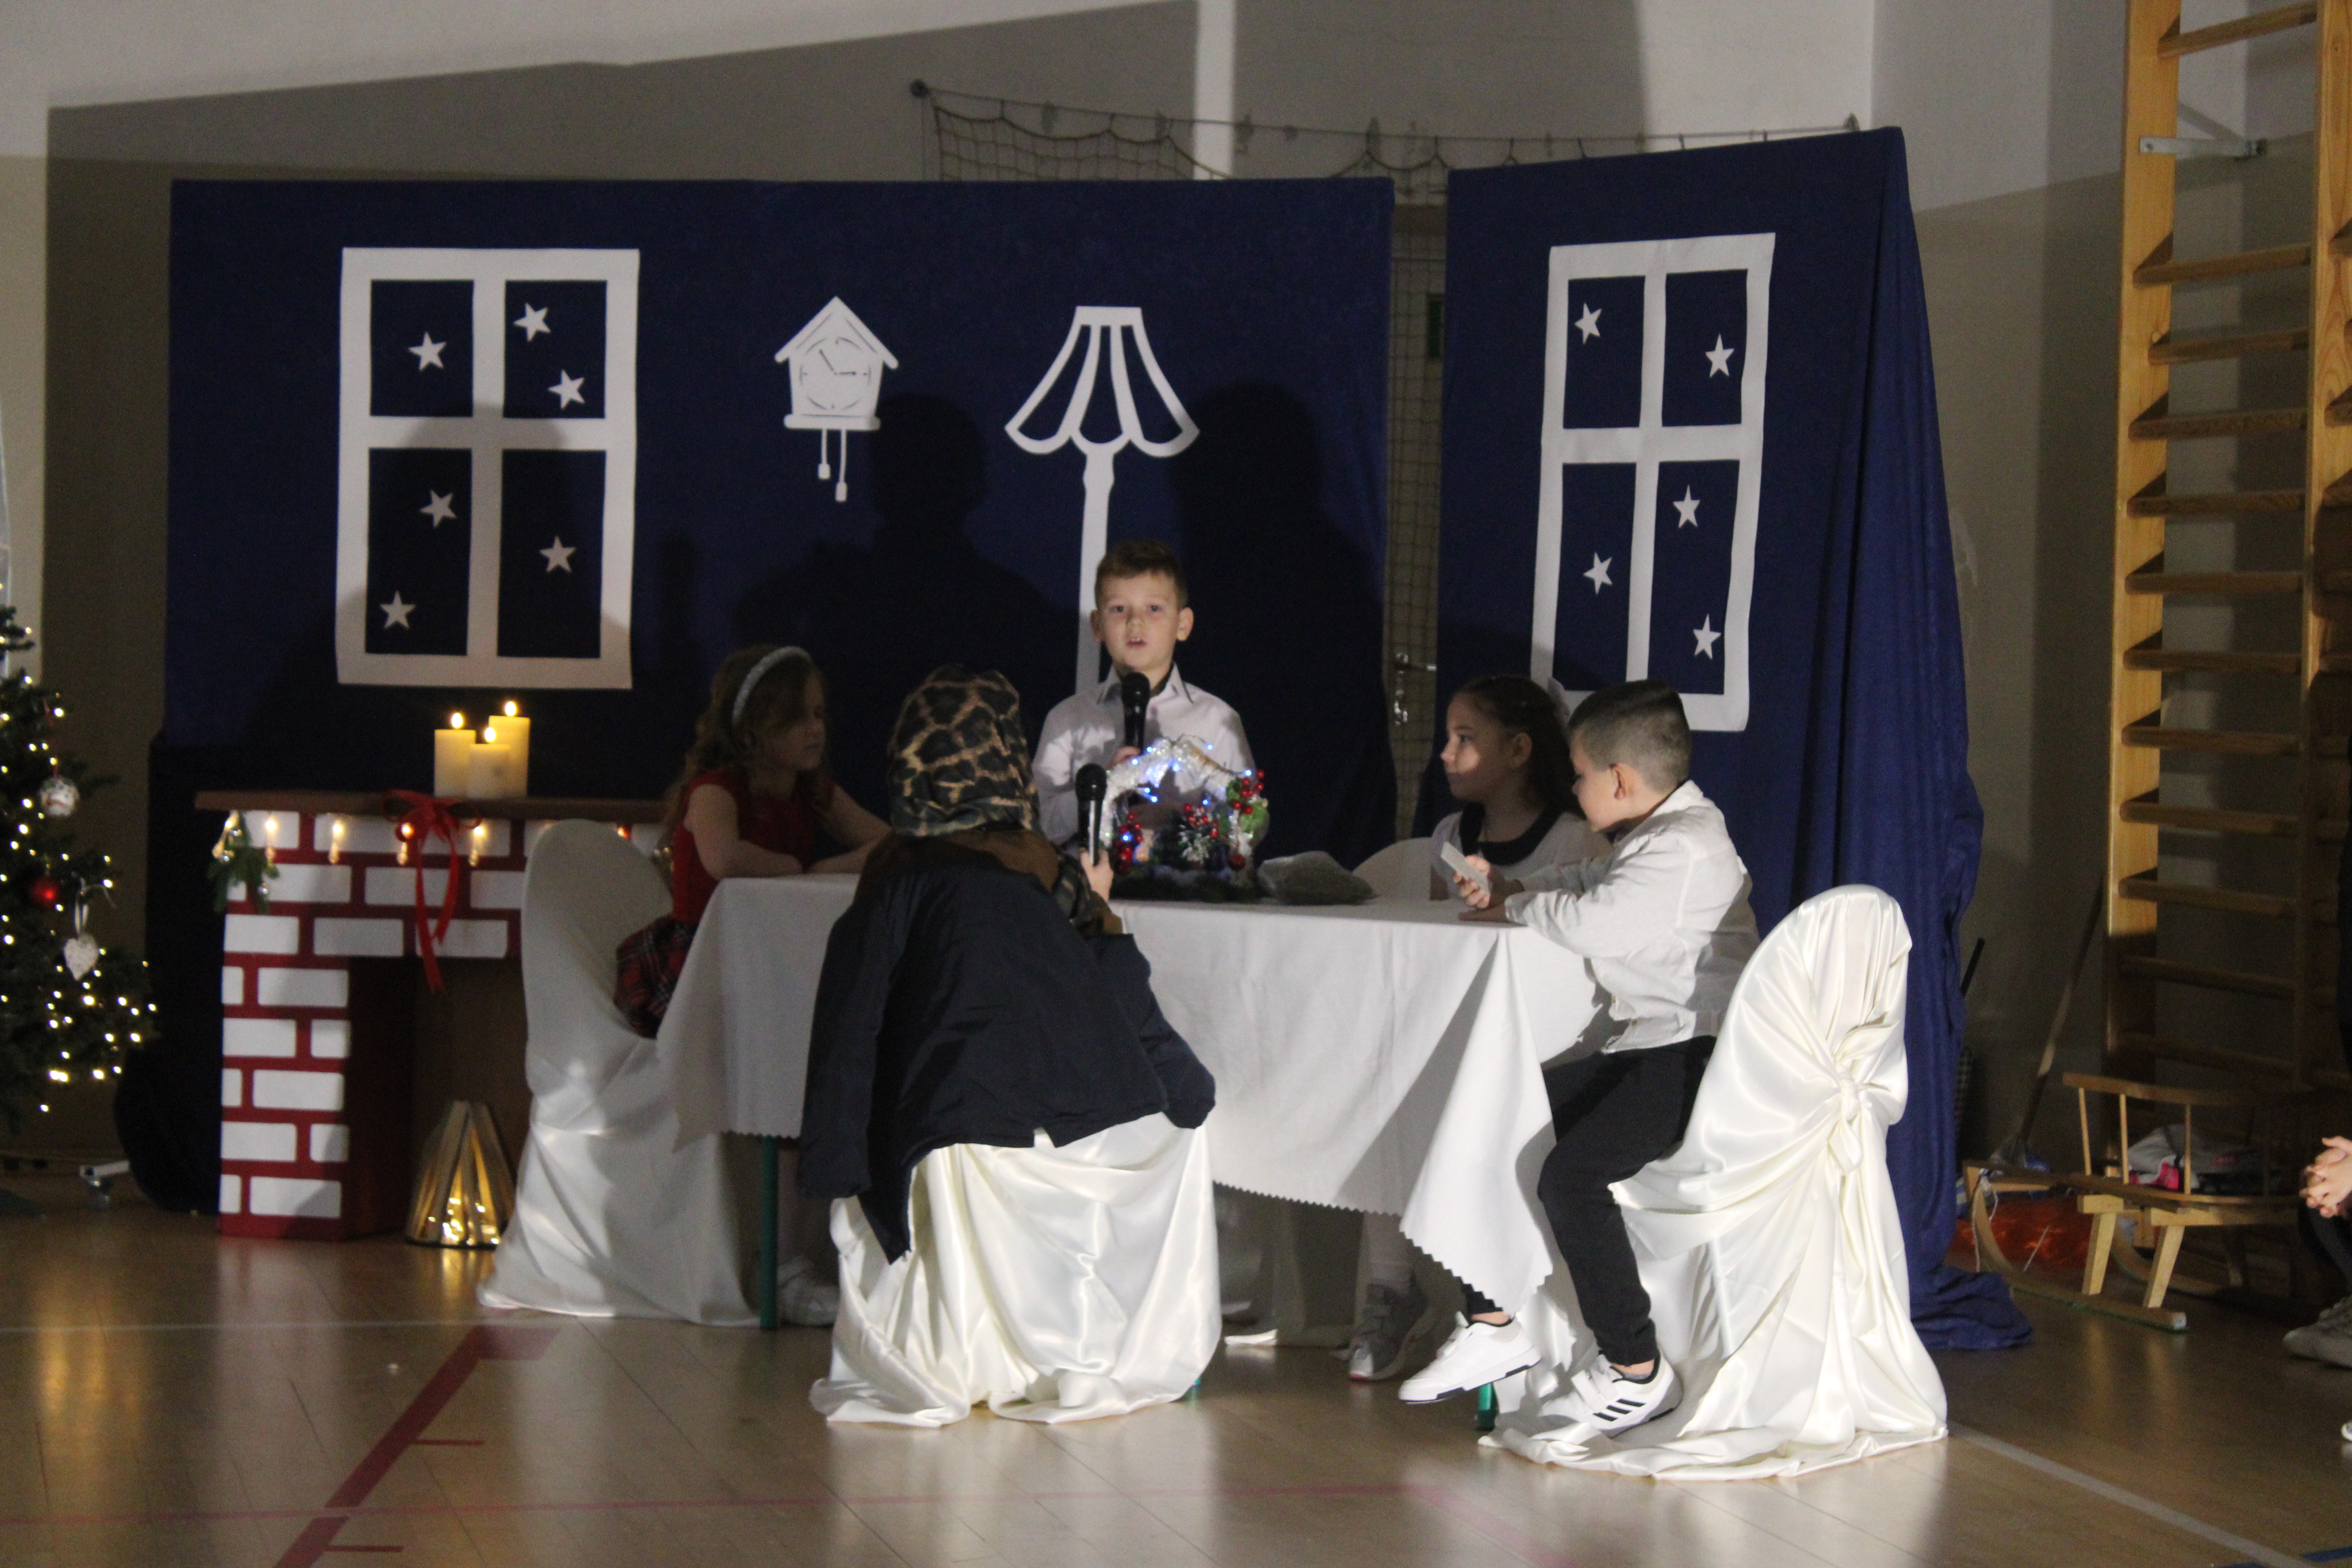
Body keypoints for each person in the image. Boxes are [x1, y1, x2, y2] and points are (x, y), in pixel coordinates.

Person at [799, 667, 1221, 1425]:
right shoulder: (1041, 869)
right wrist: (1190, 1095)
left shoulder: (890, 873)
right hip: (1046, 1135)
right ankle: (1088, 1342)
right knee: (1179, 1138)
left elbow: (851, 1025)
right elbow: (1123, 1006)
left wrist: (843, 1163)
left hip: (935, 1135)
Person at [1400, 679, 1759, 1435]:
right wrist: (1515, 887)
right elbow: (1587, 881)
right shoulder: (1657, 837)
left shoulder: (1687, 846)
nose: (1573, 788)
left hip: (1700, 1059)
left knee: (1572, 1177)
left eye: (1580, 774)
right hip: (1650, 1048)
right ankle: (1494, 1323)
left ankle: (1636, 1367)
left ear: (1619, 780)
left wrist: (1517, 903)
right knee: (1492, 1117)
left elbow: (1596, 921)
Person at [613, 644, 889, 1325]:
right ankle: (782, 1263)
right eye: (798, 718)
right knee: (789, 1052)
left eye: (820, 715)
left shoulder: (813, 791)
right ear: (754, 727)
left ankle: (809, 1253)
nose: (816, 730)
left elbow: (889, 844)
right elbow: (725, 858)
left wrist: (830, 866)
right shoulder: (718, 790)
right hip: (702, 970)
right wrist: (804, 868)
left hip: (773, 968)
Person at [1346, 675, 1602, 1383]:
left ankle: (1500, 1319)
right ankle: (1393, 1292)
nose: (1447, 755)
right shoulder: (1450, 838)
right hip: (1462, 1037)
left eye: (1466, 739)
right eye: (1447, 738)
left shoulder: (1576, 839)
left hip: (1550, 1047)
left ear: (1518, 750)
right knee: (1386, 1101)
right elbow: (1443, 947)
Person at [1032, 538, 1253, 851]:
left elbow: (1250, 824)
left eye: (1154, 609)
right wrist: (1099, 788)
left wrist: (1183, 819)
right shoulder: (1066, 720)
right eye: (1119, 609)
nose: (1136, 622)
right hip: (1089, 879)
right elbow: (1038, 824)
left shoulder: (1218, 720)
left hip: (1189, 880)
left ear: (1183, 624)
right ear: (1097, 625)